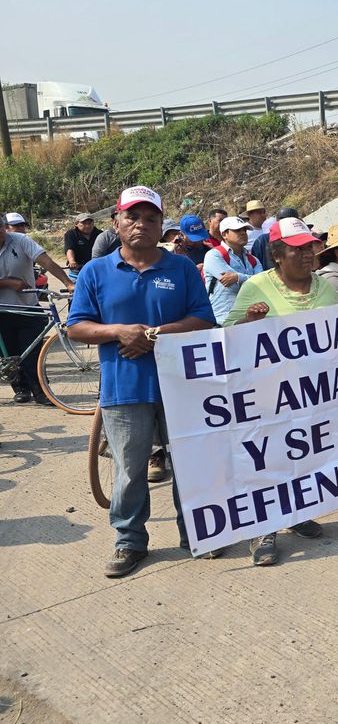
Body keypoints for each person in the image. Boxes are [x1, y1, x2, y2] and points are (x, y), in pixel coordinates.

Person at [65, 186, 216, 577]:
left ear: (162, 225)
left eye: (151, 219)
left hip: (181, 386)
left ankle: (198, 532)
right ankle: (130, 541)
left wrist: (153, 334)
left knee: (189, 464)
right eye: (133, 217)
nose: (142, 225)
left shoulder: (181, 267)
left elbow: (203, 319)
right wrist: (119, 332)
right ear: (116, 221)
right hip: (124, 388)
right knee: (130, 470)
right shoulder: (96, 271)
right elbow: (77, 326)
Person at [223, 216, 337, 566]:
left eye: (310, 248)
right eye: (297, 249)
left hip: (311, 393)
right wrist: (249, 323)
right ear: (277, 254)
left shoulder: (326, 289)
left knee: (302, 454)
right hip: (266, 394)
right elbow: (227, 338)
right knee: (268, 459)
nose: (307, 255)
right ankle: (263, 530)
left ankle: (297, 512)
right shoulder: (256, 287)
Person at [0, 215, 74, 403]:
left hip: (28, 307)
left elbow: (46, 261)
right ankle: (20, 389)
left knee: (32, 353)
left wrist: (68, 282)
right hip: (3, 310)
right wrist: (9, 283)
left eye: (0, 227)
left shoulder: (20, 240)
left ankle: (41, 392)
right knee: (10, 354)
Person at [202, 215, 260, 325]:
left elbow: (262, 284)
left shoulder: (253, 259)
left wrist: (237, 277)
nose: (243, 233)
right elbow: (233, 286)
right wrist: (251, 280)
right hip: (222, 321)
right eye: (237, 230)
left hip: (251, 320)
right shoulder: (213, 255)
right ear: (224, 234)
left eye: (244, 230)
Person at [251, 207, 300, 271]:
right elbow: (255, 265)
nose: (287, 223)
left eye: (291, 221)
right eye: (283, 220)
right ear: (277, 221)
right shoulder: (262, 240)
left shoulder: (301, 239)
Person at [64, 213, 100, 280]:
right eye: (84, 223)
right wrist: (72, 261)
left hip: (96, 269)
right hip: (77, 270)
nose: (87, 226)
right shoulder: (71, 234)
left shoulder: (100, 234)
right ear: (76, 224)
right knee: (76, 288)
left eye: (90, 223)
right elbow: (69, 249)